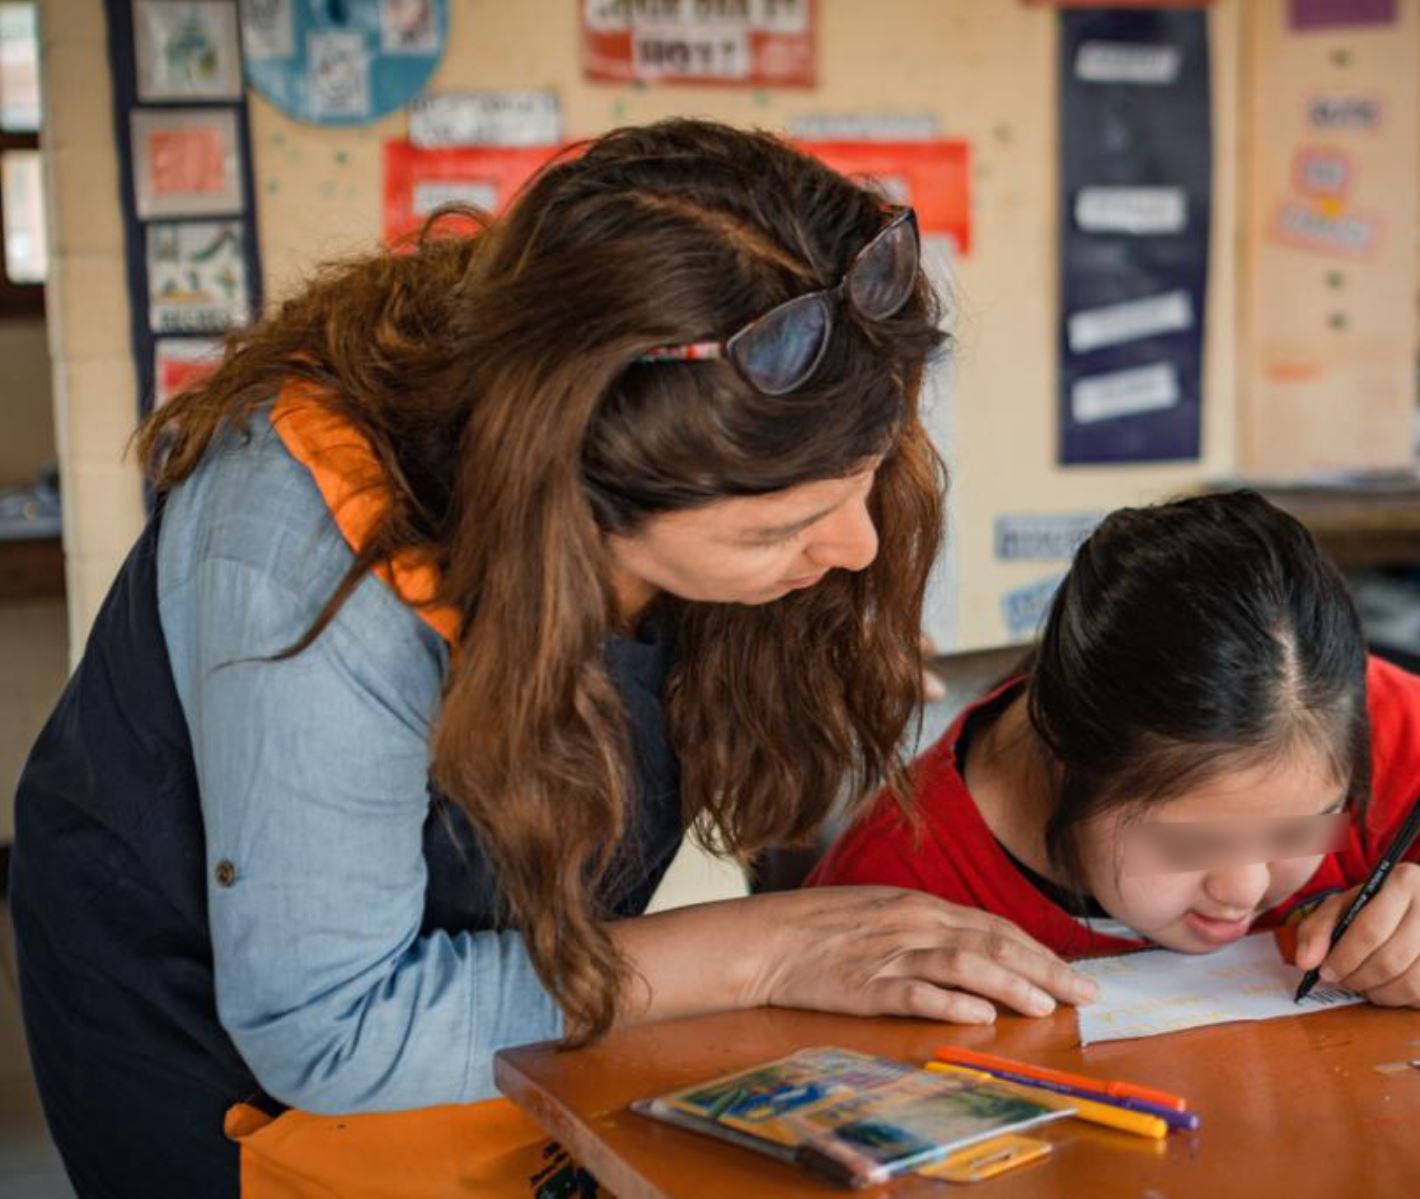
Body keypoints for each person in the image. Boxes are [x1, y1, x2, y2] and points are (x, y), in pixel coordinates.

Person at [10, 120, 1092, 1199]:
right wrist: (760, 950)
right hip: (227, 1056)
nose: (856, 544)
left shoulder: (774, 403)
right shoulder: (298, 552)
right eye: (779, 528)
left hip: (484, 992)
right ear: (570, 501)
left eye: (867, 473)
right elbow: (329, 1026)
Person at [810, 491, 1420, 1010]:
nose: (1246, 889)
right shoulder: (903, 878)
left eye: (1303, 828)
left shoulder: (1314, 720)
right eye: (1188, 846)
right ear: (1063, 752)